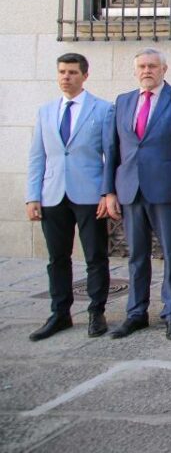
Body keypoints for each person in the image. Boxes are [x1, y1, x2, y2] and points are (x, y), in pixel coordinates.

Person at [109, 48, 171, 341]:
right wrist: (108, 191)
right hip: (130, 189)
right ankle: (136, 312)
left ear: (164, 69)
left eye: (152, 66)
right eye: (142, 66)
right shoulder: (123, 101)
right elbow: (113, 149)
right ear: (135, 71)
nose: (147, 71)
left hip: (167, 189)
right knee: (136, 255)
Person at [25, 53, 115, 341]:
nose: (66, 77)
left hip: (89, 194)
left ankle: (96, 311)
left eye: (73, 72)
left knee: (95, 256)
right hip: (52, 195)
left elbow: (111, 156)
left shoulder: (102, 109)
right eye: (62, 72)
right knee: (57, 258)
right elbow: (37, 156)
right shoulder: (46, 111)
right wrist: (32, 196)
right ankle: (60, 312)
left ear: (84, 76)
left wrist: (107, 191)